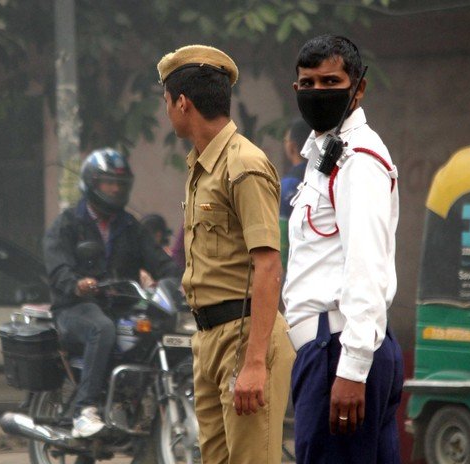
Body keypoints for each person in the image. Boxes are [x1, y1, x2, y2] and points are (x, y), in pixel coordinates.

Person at [156, 44, 295, 463]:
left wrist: (255, 363)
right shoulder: (200, 166)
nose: (167, 111)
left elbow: (269, 264)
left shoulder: (244, 165)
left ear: (183, 103)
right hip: (209, 338)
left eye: (166, 102)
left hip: (245, 334)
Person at [282, 34, 404, 464]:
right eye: (307, 83)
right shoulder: (324, 157)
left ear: (358, 87)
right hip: (327, 350)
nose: (317, 92)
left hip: (338, 350)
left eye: (330, 81)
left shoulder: (360, 160)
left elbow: (365, 265)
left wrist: (351, 369)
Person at [43, 148, 180, 438]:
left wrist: (183, 279)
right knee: (101, 327)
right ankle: (84, 410)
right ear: (91, 183)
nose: (115, 189)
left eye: (120, 183)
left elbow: (161, 262)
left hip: (120, 306)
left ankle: (134, 403)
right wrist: (76, 284)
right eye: (108, 183)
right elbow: (57, 269)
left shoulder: (131, 226)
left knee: (153, 328)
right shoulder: (67, 224)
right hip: (74, 309)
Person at [279, 118, 311, 270]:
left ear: (291, 147)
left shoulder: (287, 186)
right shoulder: (330, 178)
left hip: (295, 271)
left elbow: (281, 240)